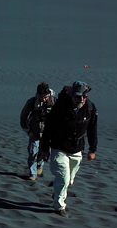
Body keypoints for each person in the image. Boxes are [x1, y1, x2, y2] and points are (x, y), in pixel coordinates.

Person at [38, 81, 98, 218]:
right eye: (78, 97)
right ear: (72, 96)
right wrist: (45, 150)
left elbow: (92, 129)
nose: (81, 100)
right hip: (59, 148)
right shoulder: (59, 108)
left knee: (69, 181)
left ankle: (58, 193)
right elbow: (48, 129)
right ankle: (59, 206)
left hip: (77, 150)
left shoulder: (90, 109)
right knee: (63, 178)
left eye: (84, 96)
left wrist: (92, 149)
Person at [19, 82, 55, 180]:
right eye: (42, 97)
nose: (44, 99)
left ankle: (40, 165)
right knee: (32, 152)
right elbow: (23, 117)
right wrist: (28, 130)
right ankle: (32, 173)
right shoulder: (32, 102)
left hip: (48, 133)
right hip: (34, 132)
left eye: (46, 97)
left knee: (43, 152)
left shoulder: (54, 101)